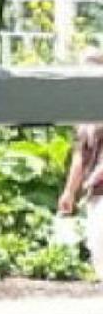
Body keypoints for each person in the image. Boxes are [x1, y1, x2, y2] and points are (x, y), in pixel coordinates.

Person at [58, 52, 103, 276]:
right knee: (97, 248)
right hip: (94, 193)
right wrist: (69, 192)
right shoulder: (84, 116)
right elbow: (80, 154)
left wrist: (99, 173)